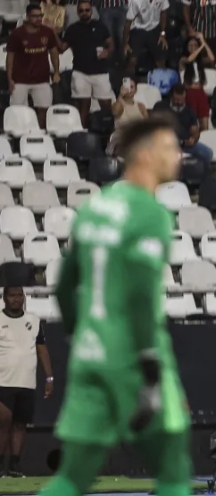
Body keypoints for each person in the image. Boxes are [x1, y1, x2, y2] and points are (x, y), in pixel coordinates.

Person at [37, 115, 191, 496]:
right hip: (133, 358)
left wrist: (80, 335)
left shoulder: (95, 207)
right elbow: (140, 295)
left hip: (90, 356)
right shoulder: (150, 213)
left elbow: (64, 286)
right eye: (170, 147)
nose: (179, 155)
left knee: (72, 477)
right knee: (173, 471)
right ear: (144, 154)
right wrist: (150, 367)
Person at [0, 286, 53, 478]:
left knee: (20, 425)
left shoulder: (34, 320)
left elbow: (42, 350)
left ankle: (14, 466)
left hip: (27, 382)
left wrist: (49, 377)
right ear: (4, 298)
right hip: (3, 382)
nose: (16, 299)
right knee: (3, 424)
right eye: (12, 295)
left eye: (19, 295)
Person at [59, 0, 114, 127]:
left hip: (100, 72)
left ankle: (110, 131)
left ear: (91, 11)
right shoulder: (72, 29)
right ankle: (82, 132)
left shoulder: (100, 26)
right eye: (81, 10)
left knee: (106, 104)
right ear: (77, 12)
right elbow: (62, 48)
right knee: (83, 106)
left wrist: (107, 52)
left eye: (87, 10)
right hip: (80, 73)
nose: (84, 13)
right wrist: (53, 32)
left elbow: (111, 44)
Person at [6, 3, 59, 130]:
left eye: (40, 16)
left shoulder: (47, 32)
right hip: (20, 79)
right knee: (18, 111)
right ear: (28, 17)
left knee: (44, 109)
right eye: (35, 16)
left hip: (42, 79)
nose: (39, 19)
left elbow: (54, 52)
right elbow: (10, 58)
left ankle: (40, 133)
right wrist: (9, 79)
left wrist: (57, 71)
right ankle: (19, 134)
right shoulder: (17, 34)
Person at [125, 0, 171, 76]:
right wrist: (125, 43)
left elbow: (164, 13)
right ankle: (129, 82)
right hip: (138, 29)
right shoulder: (136, 0)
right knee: (132, 61)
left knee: (161, 60)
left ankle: (162, 81)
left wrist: (162, 34)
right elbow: (128, 22)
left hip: (154, 28)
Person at [153, 85, 213, 163]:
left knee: (207, 153)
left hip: (186, 145)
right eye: (177, 100)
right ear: (171, 97)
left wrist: (194, 138)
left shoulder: (189, 110)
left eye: (182, 100)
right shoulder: (161, 107)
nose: (179, 102)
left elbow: (195, 131)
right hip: (167, 144)